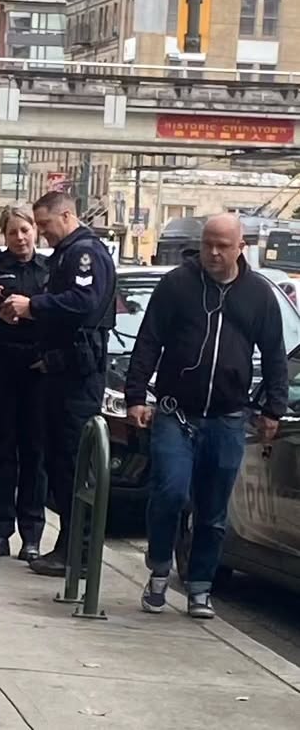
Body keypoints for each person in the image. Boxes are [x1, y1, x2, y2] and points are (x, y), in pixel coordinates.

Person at [125, 214, 287, 619]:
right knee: (170, 493)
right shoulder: (177, 284)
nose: (213, 253)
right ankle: (159, 569)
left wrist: (273, 409)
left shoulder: (259, 295)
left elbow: (273, 354)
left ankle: (200, 586)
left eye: (222, 246)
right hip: (176, 413)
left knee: (213, 511)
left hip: (228, 419)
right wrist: (135, 395)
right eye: (207, 244)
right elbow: (148, 341)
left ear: (240, 247)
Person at [0, 191, 115, 577]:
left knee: (71, 462)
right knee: (59, 461)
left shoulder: (85, 253)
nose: (42, 233)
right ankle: (68, 546)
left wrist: (34, 306)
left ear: (66, 216)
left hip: (78, 375)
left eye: (45, 225)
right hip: (59, 370)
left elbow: (83, 301)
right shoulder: (65, 254)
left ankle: (76, 550)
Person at [0, 206, 48, 563]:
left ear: (35, 230)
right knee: (1, 453)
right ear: (3, 235)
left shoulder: (49, 270)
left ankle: (32, 535)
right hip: (0, 366)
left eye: (25, 230)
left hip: (36, 370)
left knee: (34, 455)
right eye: (12, 233)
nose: (20, 239)